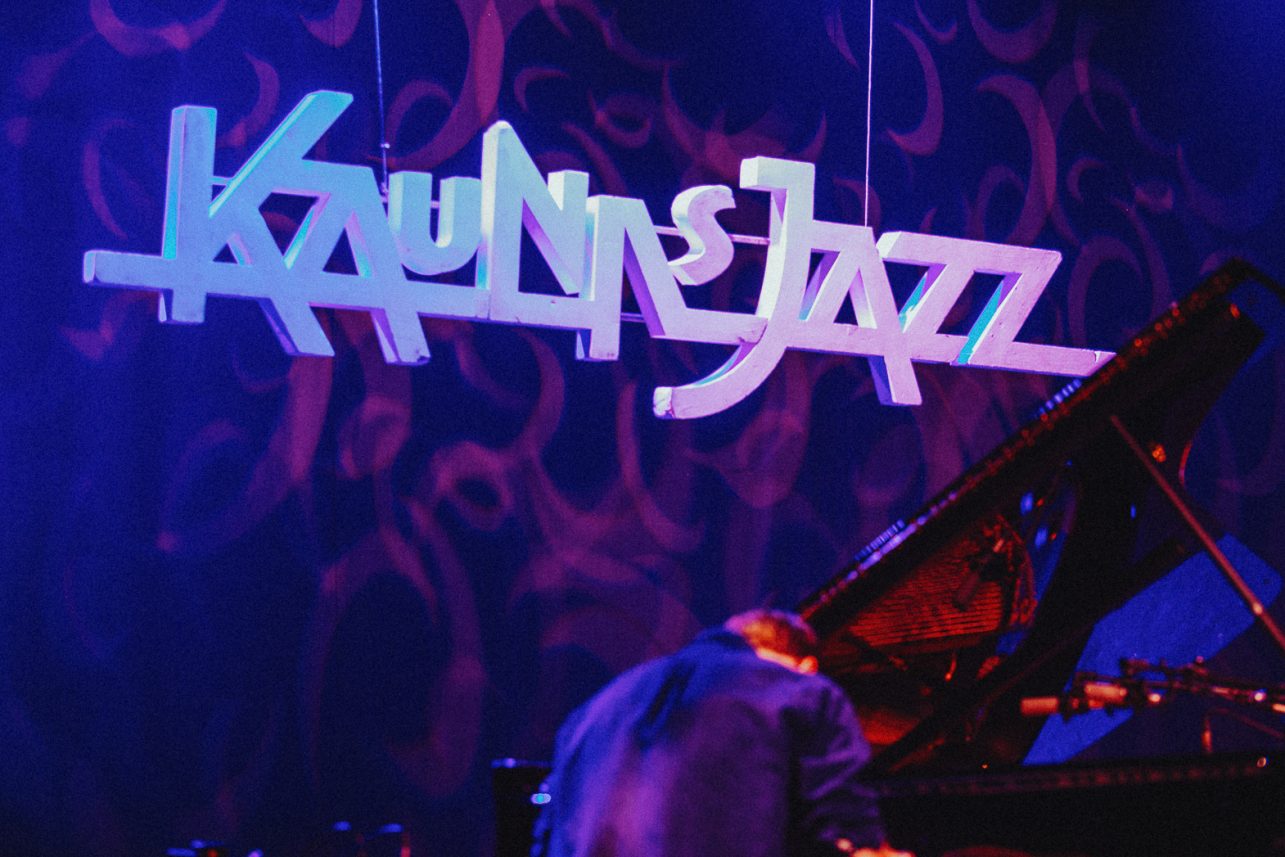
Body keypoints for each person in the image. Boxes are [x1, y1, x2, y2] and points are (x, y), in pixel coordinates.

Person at [532, 609, 912, 857]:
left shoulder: (589, 713)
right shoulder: (805, 693)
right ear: (807, 665)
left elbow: (546, 841)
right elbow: (848, 837)